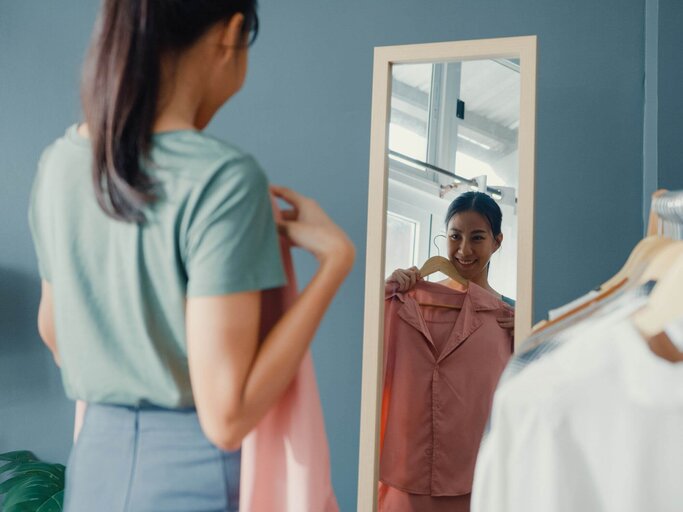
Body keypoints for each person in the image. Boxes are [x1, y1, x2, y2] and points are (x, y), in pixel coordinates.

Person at [28, 1, 354, 510]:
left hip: (94, 468)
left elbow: (54, 332)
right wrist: (335, 263)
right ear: (232, 33)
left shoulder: (60, 165)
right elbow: (227, 418)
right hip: (190, 478)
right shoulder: (223, 179)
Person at [386, 191, 514, 333]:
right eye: (455, 236)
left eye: (477, 238)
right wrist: (384, 293)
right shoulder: (405, 297)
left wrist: (528, 341)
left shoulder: (513, 315)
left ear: (496, 242)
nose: (464, 251)